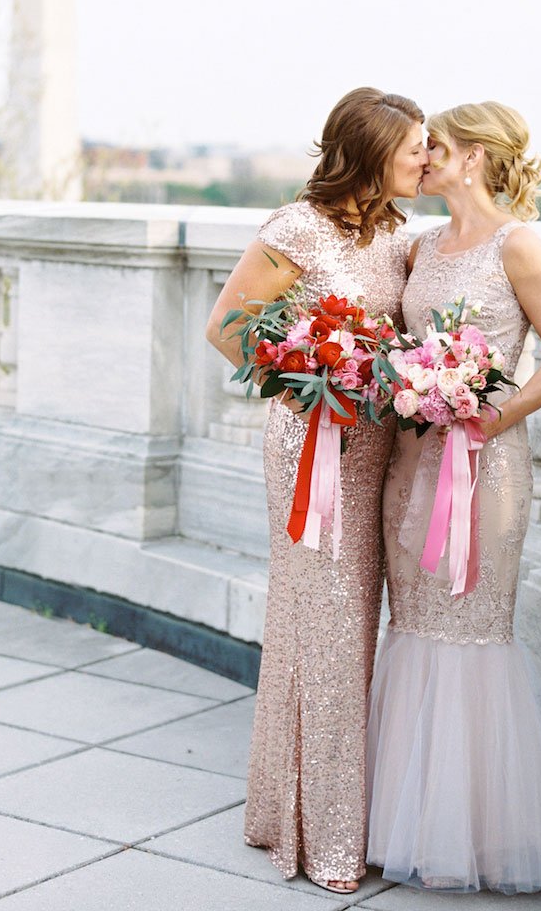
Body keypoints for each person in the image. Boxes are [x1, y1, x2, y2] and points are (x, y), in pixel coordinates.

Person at [206, 87, 427, 893]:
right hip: (313, 452)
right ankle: (328, 840)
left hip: (375, 452)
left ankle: (280, 811)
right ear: (372, 153)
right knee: (328, 628)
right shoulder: (297, 227)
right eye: (414, 149)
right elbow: (227, 326)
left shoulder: (395, 239)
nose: (425, 160)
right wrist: (310, 372)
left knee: (340, 623)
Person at [367, 100, 541, 893]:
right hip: (411, 463)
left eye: (438, 149)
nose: (422, 159)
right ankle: (405, 817)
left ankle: (479, 836)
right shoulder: (421, 246)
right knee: (414, 620)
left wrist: (489, 415)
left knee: (471, 625)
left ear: (478, 160)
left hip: (485, 467)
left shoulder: (518, 245)